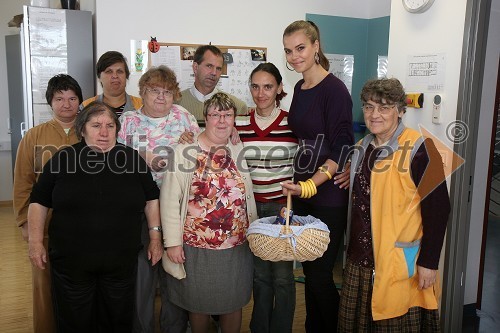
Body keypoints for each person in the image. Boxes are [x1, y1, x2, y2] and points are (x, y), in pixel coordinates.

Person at [27, 101, 163, 333]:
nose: (104, 132)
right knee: (75, 322)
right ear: (82, 129)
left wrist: (155, 237)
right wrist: (35, 242)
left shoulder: (131, 159)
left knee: (117, 320)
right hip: (72, 266)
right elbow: (38, 201)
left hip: (120, 265)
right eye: (96, 125)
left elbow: (151, 199)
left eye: (110, 126)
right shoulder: (63, 159)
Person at [338, 78, 450, 332]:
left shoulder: (422, 149)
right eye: (368, 107)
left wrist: (429, 262)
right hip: (359, 262)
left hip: (398, 264)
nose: (374, 114)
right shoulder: (360, 148)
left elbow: (439, 208)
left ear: (400, 110)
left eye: (384, 107)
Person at [161, 92, 257, 333]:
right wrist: (172, 243)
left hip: (237, 244)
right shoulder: (186, 150)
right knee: (198, 304)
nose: (222, 121)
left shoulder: (237, 147)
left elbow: (246, 192)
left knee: (234, 302)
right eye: (216, 115)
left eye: (227, 115)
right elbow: (170, 199)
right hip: (197, 245)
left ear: (234, 118)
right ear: (205, 117)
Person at [281, 20, 354, 332]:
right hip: (302, 190)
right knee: (311, 273)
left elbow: (341, 146)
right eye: (289, 50)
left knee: (321, 275)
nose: (295, 56)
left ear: (315, 47)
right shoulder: (300, 87)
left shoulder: (335, 90)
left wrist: (311, 185)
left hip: (326, 194)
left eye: (300, 48)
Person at [117, 65, 200, 333]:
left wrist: (191, 145)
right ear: (143, 92)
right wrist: (144, 157)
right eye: (154, 91)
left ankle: (174, 328)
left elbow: (201, 155)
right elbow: (115, 157)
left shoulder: (184, 117)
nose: (161, 97)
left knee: (173, 272)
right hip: (139, 207)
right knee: (143, 272)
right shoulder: (128, 120)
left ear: (174, 94)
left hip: (176, 207)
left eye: (167, 92)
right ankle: (141, 328)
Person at [12, 73, 82, 333]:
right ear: (50, 102)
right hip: (44, 226)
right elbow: (22, 184)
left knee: (79, 286)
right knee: (44, 286)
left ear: (80, 101)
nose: (66, 104)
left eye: (72, 98)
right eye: (59, 98)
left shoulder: (91, 133)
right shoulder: (33, 136)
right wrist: (26, 226)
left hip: (82, 228)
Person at [234, 62, 298, 333]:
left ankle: (281, 328)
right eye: (256, 86)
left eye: (268, 86)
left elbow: (316, 153)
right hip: (252, 208)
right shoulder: (239, 124)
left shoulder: (292, 122)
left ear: (279, 88)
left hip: (282, 208)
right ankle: (259, 327)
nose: (261, 93)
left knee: (283, 276)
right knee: (259, 274)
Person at [178, 45, 248, 123]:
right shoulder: (175, 104)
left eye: (218, 68)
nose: (214, 73)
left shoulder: (237, 107)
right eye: (209, 66)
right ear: (195, 67)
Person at [82, 51, 142, 117]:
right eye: (109, 71)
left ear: (126, 76)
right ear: (99, 77)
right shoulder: (86, 107)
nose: (115, 76)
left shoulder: (142, 106)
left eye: (119, 71)